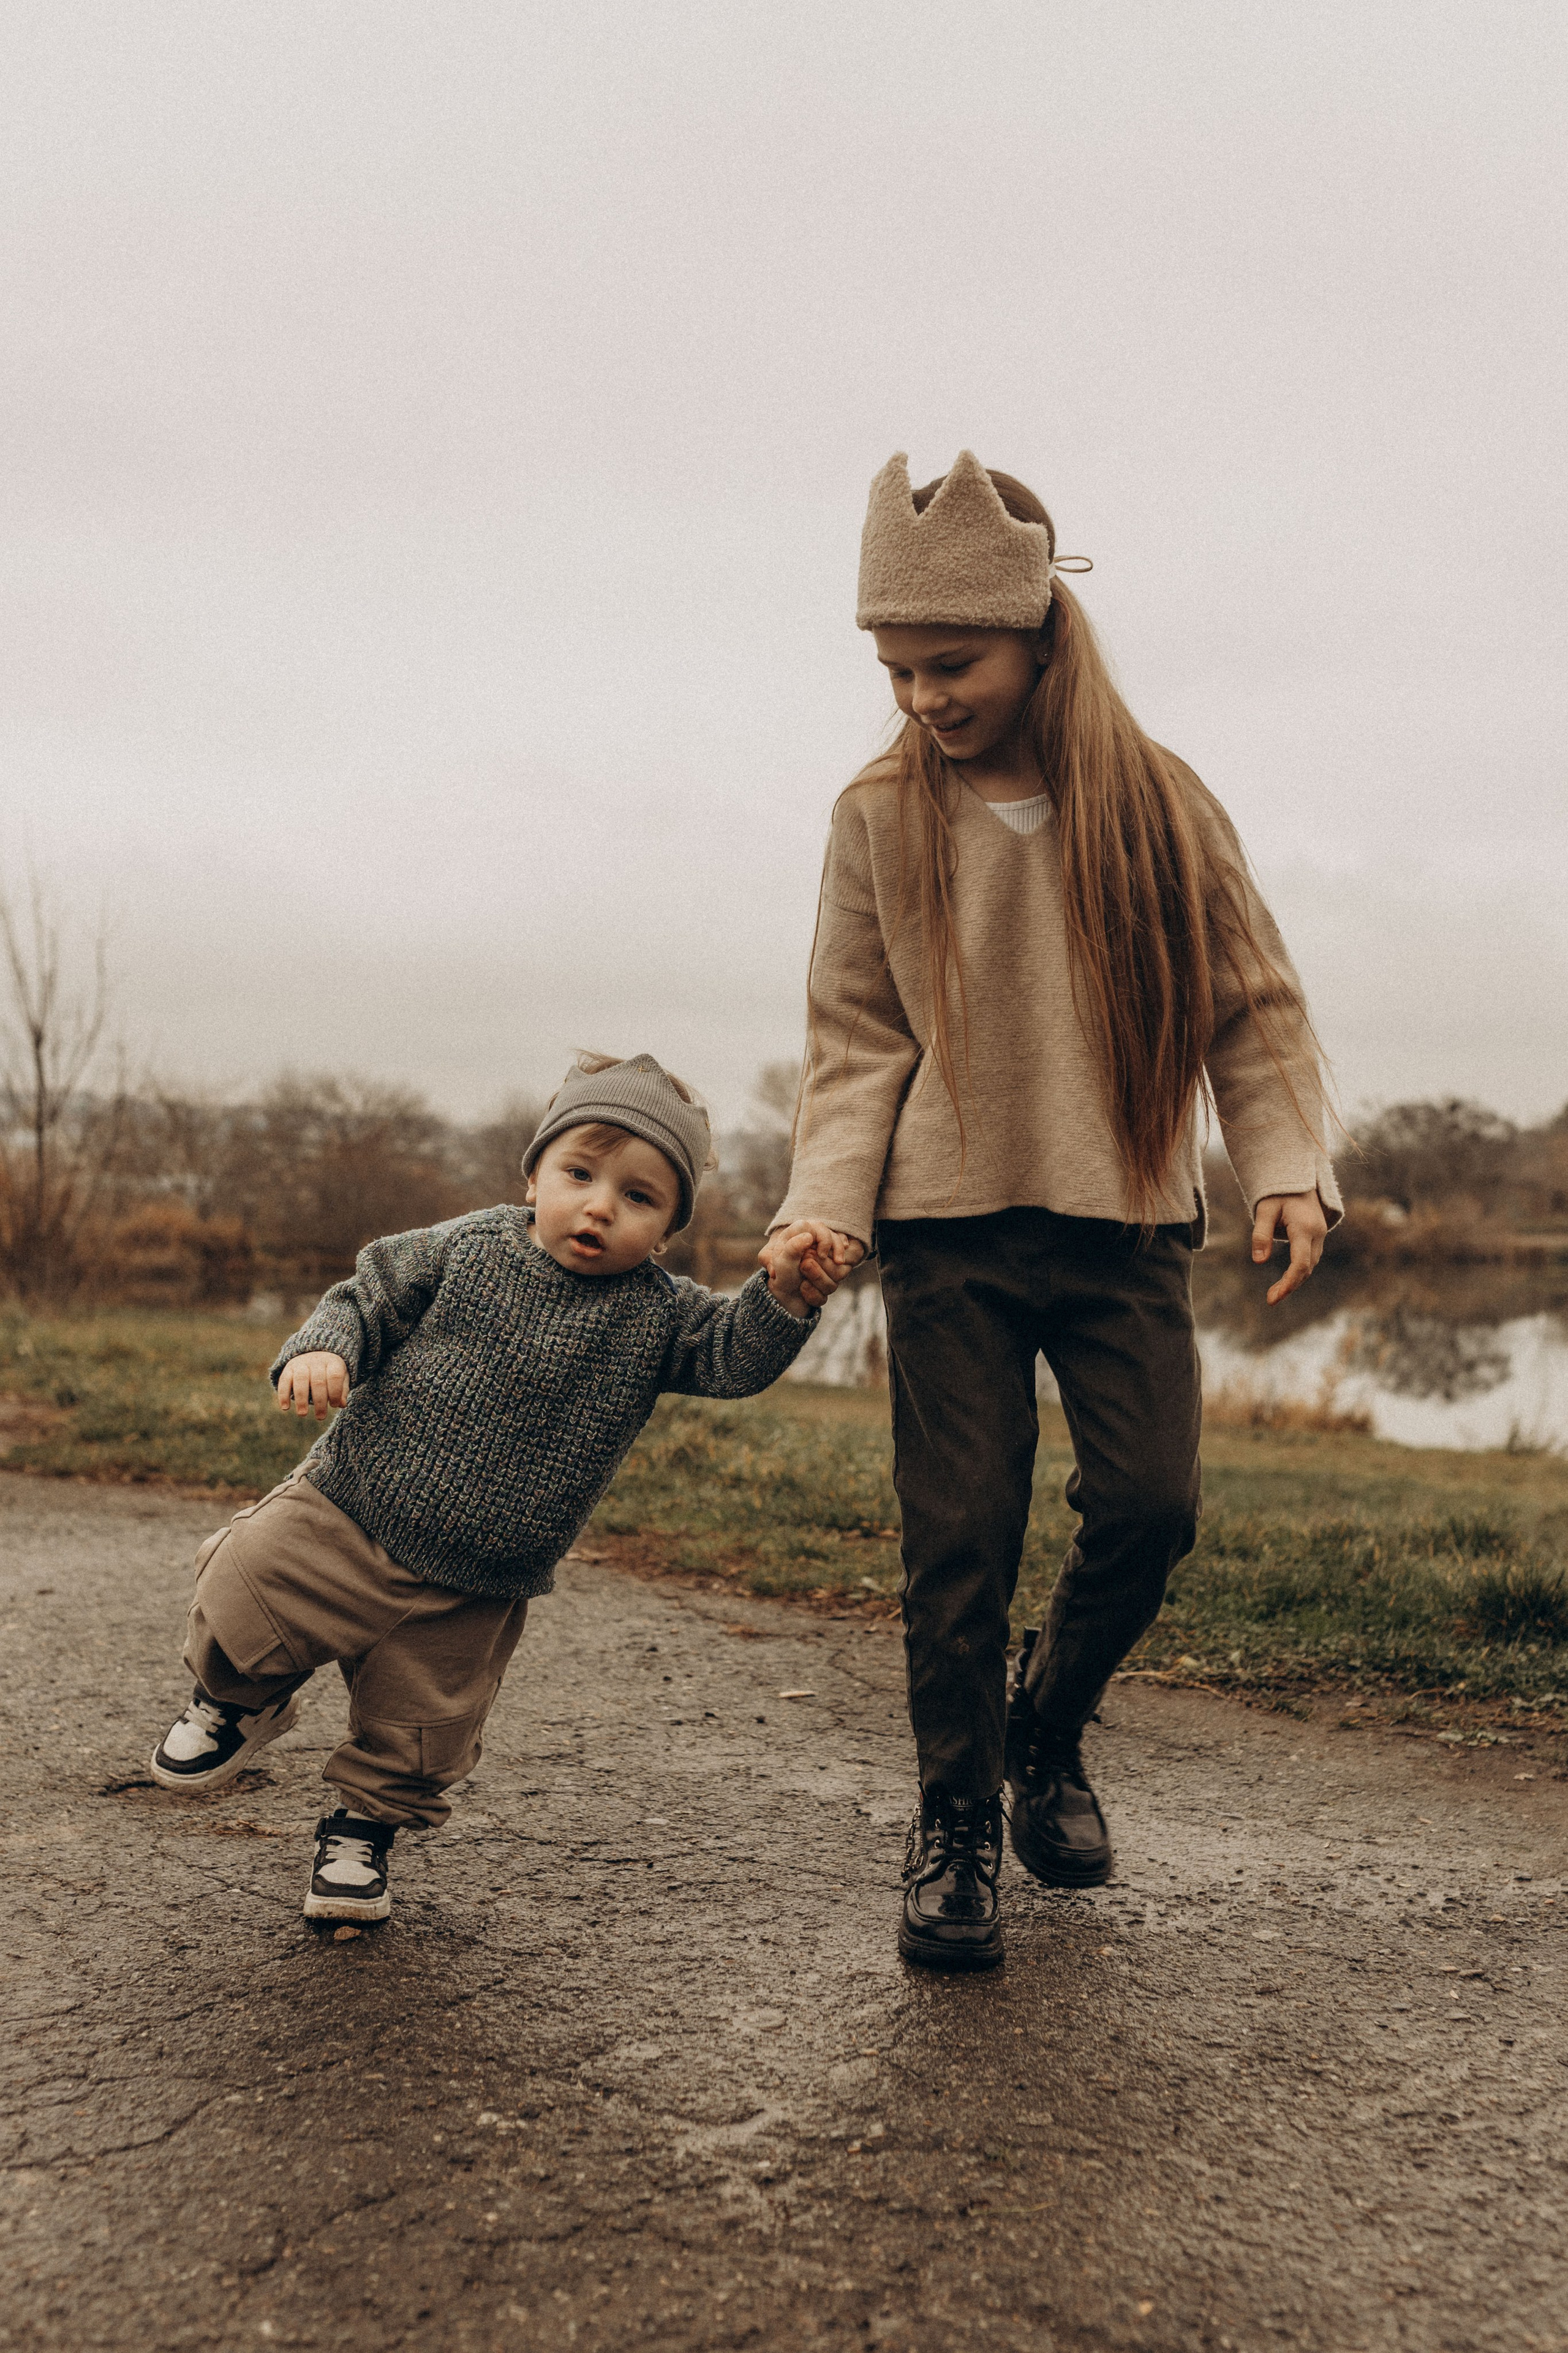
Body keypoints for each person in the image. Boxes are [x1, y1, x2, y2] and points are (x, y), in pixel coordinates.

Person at [762, 453, 1341, 1971]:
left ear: (1035, 637)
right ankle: (953, 1820)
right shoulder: (877, 815)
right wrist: (823, 1208)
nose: (919, 699)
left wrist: (1281, 1160)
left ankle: (1047, 1726)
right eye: (893, 669)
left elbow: (1248, 1000)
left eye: (947, 664)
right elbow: (854, 1034)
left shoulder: (1158, 801)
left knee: (1150, 1509)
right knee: (957, 1539)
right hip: (945, 1227)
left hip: (1122, 1219)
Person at [149, 1052, 832, 1924]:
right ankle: (234, 1701)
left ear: (667, 1231)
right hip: (350, 1506)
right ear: (535, 1172)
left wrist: (782, 1293)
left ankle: (362, 1831)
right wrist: (326, 1348)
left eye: (638, 1196)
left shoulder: (659, 1314)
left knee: (420, 1725)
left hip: (477, 1579)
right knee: (244, 1581)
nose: (599, 1206)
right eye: (579, 1173)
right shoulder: (468, 1247)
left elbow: (735, 1356)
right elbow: (364, 1296)